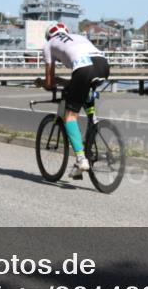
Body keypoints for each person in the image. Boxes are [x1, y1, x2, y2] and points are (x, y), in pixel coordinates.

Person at [35, 23, 110, 179]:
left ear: (49, 36)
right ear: (66, 32)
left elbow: (49, 84)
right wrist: (62, 81)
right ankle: (93, 122)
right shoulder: (78, 37)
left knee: (70, 116)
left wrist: (41, 82)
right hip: (103, 65)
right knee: (84, 92)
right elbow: (76, 80)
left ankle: (81, 160)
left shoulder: (49, 44)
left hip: (83, 69)